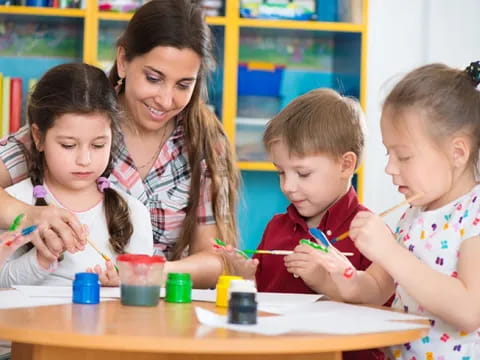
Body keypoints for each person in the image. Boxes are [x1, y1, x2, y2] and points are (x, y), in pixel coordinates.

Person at [0, 0, 239, 288]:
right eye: (153, 78)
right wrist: (27, 214)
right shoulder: (79, 119)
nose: (165, 100)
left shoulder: (206, 144)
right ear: (124, 61)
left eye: (183, 85)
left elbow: (218, 258)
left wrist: (142, 271)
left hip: (156, 310)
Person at [316, 61, 480, 359]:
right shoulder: (413, 214)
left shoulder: (474, 213)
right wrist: (345, 276)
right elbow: (378, 286)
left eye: (403, 156)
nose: (390, 168)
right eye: (389, 153)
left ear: (457, 152)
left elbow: (470, 310)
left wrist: (390, 252)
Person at [0, 63, 153, 287]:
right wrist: (40, 260)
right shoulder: (14, 205)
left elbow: (145, 288)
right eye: (68, 145)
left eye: (98, 145)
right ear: (38, 137)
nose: (85, 160)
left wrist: (124, 285)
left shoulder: (132, 212)